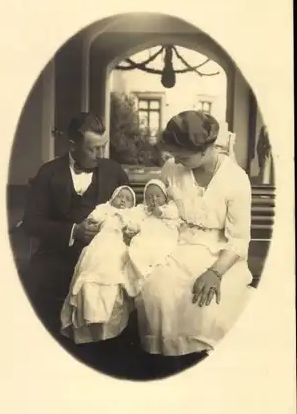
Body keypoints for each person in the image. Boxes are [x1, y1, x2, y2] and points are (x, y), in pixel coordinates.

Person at [135, 110, 254, 375]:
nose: (175, 160)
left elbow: (239, 239)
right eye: (174, 154)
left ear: (206, 149)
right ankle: (165, 365)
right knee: (156, 289)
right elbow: (158, 200)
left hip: (219, 253)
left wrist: (215, 273)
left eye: (183, 156)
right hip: (175, 242)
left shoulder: (235, 180)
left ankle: (203, 368)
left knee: (204, 303)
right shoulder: (172, 168)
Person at [21, 112, 132, 345]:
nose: (101, 155)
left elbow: (131, 212)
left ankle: (110, 350)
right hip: (60, 253)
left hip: (105, 255)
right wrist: (72, 231)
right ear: (72, 144)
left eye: (103, 147)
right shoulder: (49, 173)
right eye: (94, 149)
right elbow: (31, 222)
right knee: (34, 283)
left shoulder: (113, 171)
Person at [60, 185, 136, 344]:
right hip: (99, 244)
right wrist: (94, 221)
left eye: (128, 199)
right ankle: (88, 320)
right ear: (112, 198)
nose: (123, 200)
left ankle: (107, 325)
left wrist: (130, 231)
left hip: (118, 246)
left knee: (112, 278)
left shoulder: (131, 215)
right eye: (120, 196)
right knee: (89, 276)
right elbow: (92, 219)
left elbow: (135, 228)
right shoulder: (104, 209)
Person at [123, 179, 183, 297]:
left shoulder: (169, 208)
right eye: (150, 197)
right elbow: (134, 219)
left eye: (157, 196)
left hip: (163, 236)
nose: (154, 199)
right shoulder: (143, 210)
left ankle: (149, 269)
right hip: (146, 237)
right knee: (138, 251)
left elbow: (174, 213)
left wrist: (160, 213)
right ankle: (139, 276)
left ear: (165, 197)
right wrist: (131, 228)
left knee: (160, 251)